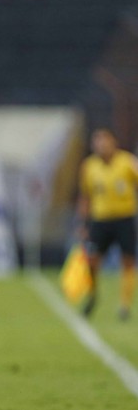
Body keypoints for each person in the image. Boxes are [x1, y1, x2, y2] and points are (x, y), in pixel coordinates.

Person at [77, 128, 138, 320]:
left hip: (124, 218)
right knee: (92, 260)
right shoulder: (89, 166)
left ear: (114, 142)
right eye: (97, 143)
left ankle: (125, 305)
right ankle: (93, 294)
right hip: (100, 220)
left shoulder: (127, 162)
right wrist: (83, 223)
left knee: (128, 261)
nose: (101, 146)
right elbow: (85, 196)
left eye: (105, 142)